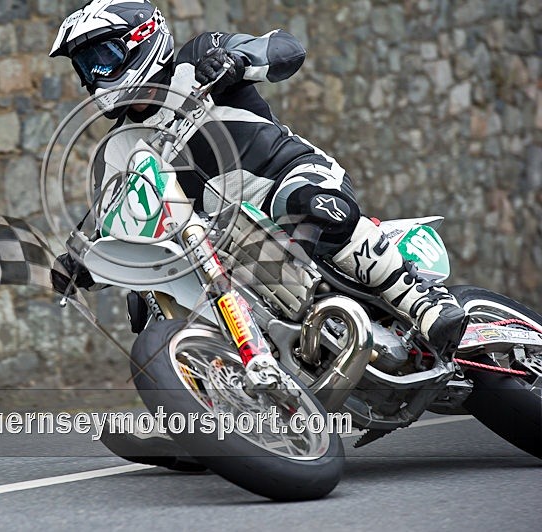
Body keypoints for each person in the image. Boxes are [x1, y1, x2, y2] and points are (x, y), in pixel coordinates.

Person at [48, 0, 468, 467]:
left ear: (142, 39)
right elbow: (110, 210)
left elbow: (285, 48)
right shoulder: (122, 146)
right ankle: (204, 418)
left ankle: (421, 301)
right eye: (85, 67)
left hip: (285, 179)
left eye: (100, 58)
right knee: (146, 296)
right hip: (221, 239)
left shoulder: (198, 60)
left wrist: (238, 60)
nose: (94, 76)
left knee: (304, 207)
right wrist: (77, 259)